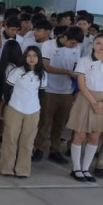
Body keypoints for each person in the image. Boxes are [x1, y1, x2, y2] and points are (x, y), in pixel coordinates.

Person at [35, 26, 81, 163]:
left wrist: (75, 89)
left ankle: (55, 149)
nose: (74, 46)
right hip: (49, 90)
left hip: (67, 91)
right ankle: (38, 148)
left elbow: (76, 68)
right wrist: (67, 72)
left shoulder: (76, 48)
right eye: (72, 42)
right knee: (44, 122)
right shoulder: (48, 45)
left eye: (76, 44)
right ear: (65, 37)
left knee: (60, 124)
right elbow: (46, 66)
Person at [0, 45, 46, 178]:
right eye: (29, 55)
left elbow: (41, 93)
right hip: (15, 109)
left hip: (33, 111)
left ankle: (23, 170)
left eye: (35, 56)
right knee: (10, 139)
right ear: (25, 57)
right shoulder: (17, 72)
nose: (31, 58)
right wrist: (10, 103)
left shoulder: (43, 74)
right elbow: (7, 89)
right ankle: (6, 168)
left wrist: (34, 105)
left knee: (27, 142)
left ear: (39, 58)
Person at [66, 34, 103, 182]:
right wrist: (94, 102)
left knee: (95, 136)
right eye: (98, 43)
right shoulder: (84, 61)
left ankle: (86, 168)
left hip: (102, 101)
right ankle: (76, 168)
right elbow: (81, 84)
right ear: (93, 45)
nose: (101, 46)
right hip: (86, 99)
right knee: (80, 135)